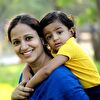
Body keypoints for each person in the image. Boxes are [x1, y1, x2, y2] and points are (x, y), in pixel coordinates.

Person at [7, 13, 89, 100]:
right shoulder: (26, 76)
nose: (23, 47)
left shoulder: (61, 78)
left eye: (28, 38)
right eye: (16, 42)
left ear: (42, 40)